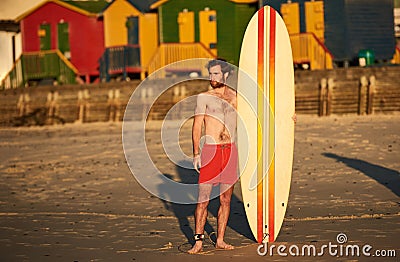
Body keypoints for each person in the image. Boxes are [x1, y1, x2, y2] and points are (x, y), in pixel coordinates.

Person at [189, 59, 238, 254]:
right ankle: (198, 242)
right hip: (211, 150)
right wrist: (195, 153)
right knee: (203, 199)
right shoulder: (204, 97)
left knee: (226, 199)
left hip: (230, 151)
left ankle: (220, 240)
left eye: (216, 74)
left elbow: (258, 117)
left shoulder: (236, 97)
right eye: (210, 74)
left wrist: (288, 116)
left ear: (225, 75)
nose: (212, 78)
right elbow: (196, 125)